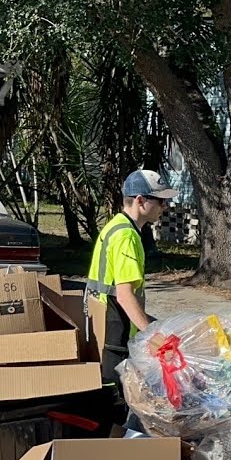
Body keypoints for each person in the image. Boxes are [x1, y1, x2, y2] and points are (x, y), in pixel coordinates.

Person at [86, 168, 176, 398]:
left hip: (105, 324)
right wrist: (153, 336)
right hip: (117, 330)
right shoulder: (127, 237)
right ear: (140, 200)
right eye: (160, 201)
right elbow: (125, 296)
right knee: (118, 400)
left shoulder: (115, 226)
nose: (163, 207)